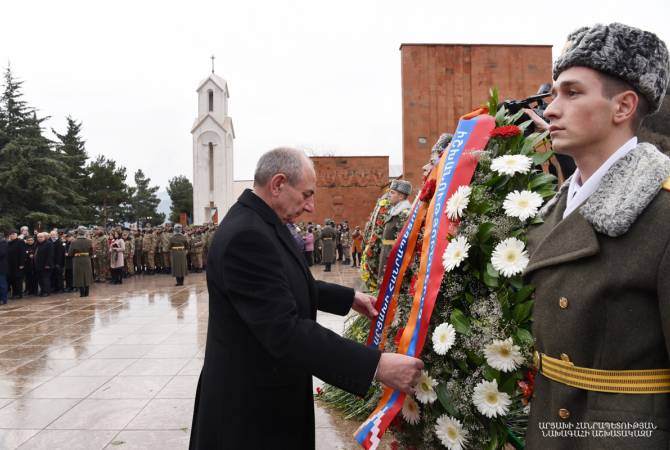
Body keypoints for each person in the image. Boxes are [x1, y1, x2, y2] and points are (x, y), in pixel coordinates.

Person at [189, 147, 423, 450]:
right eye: (306, 195)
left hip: (267, 398)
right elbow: (285, 332)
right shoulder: (246, 237)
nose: (311, 206)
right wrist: (377, 366)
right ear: (278, 184)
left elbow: (286, 282)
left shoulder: (263, 222)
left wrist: (349, 297)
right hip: (249, 416)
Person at [524, 23, 670, 449]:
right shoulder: (557, 209)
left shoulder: (662, 214)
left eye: (571, 93)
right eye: (553, 95)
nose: (550, 110)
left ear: (623, 107)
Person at [378, 180, 412, 280]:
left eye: (392, 193)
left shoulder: (403, 214)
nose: (388, 195)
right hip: (387, 253)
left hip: (393, 257)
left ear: (401, 196)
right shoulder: (395, 210)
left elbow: (404, 241)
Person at [69, 226, 93, 297]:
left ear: (78, 233)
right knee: (87, 275)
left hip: (77, 260)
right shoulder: (89, 241)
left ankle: (82, 293)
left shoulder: (74, 242)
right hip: (86, 259)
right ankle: (87, 293)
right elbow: (91, 252)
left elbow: (70, 253)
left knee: (79, 276)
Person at [7, 230, 25, 299]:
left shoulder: (20, 242)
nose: (12, 235)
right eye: (10, 234)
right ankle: (14, 294)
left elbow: (22, 253)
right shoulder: (9, 243)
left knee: (18, 280)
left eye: (13, 234)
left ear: (16, 235)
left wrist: (22, 264)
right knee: (12, 280)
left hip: (18, 264)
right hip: (10, 265)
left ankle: (19, 294)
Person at [0, 232, 7, 305]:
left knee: (2, 284)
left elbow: (2, 253)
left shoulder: (3, 243)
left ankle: (3, 299)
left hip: (1, 267)